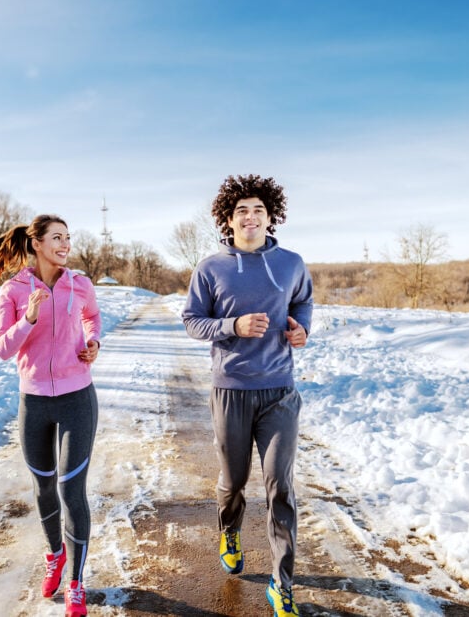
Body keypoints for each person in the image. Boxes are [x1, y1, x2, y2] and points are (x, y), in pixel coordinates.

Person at [181, 175, 313, 616]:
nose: (251, 217)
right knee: (233, 482)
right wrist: (231, 327)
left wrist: (301, 329)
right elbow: (193, 321)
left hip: (279, 391)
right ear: (229, 219)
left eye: (258, 209)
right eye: (242, 210)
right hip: (231, 392)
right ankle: (230, 530)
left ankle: (281, 582)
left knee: (280, 487)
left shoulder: (292, 263)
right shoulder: (210, 268)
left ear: (271, 216)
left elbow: (302, 303)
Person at [0, 214, 101, 617]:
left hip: (77, 396)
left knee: (70, 490)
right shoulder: (13, 290)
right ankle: (55, 555)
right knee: (44, 488)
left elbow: (92, 318)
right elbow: (2, 349)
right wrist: (28, 317)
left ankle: (77, 584)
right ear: (37, 244)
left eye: (68, 237)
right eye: (57, 237)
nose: (65, 244)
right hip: (34, 403)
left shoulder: (80, 283)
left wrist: (94, 342)